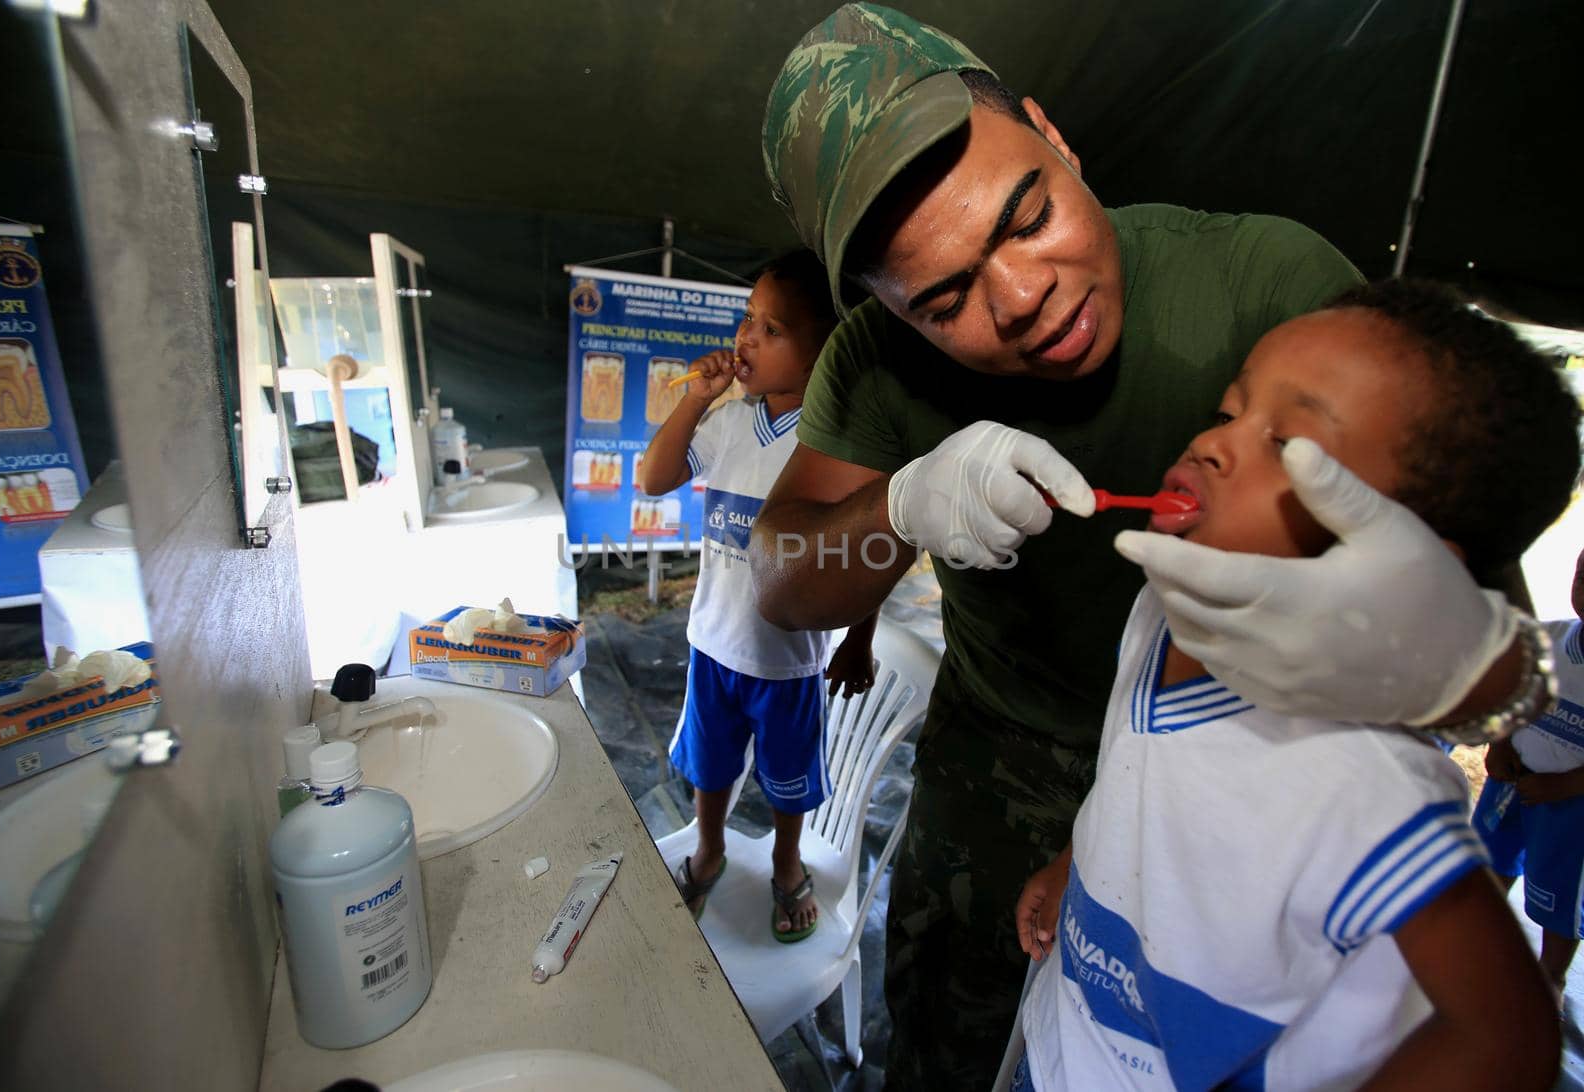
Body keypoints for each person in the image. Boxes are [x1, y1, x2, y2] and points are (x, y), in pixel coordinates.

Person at [751, 4, 1555, 1082]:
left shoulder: (1269, 292)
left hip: (1256, 793)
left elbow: (1508, 679)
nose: (1023, 295)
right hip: (1004, 772)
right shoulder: (873, 368)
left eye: (1027, 216)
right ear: (886, 311)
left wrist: (1446, 663)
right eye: (945, 298)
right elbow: (783, 587)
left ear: (1052, 133)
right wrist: (896, 510)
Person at [1009, 280, 1574, 1090]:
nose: (1212, 442)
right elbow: (1143, 778)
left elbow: (1510, 1038)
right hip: (1063, 1050)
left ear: (1400, 565)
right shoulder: (1163, 608)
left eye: (1288, 442)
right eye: (1228, 408)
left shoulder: (1362, 777)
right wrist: (1080, 862)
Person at [640, 250, 876, 941]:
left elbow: (865, 556)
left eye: (771, 330)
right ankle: (709, 850)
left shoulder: (834, 447)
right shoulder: (728, 424)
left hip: (789, 662)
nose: (745, 339)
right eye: (747, 320)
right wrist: (694, 399)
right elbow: (655, 479)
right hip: (714, 645)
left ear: (821, 353)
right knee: (710, 769)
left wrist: (858, 641)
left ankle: (785, 856)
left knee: (788, 782)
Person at [1473, 541, 1584, 1004]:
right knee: (1487, 864)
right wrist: (1499, 744)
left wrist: (1567, 784)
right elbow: (1509, 696)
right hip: (1511, 783)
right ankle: (1476, 947)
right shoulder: (1549, 639)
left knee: (1561, 902)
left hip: (1572, 807)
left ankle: (1549, 979)